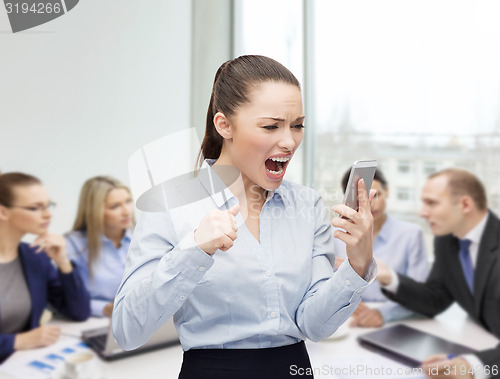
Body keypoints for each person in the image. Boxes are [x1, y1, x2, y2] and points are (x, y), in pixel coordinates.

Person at [112, 55, 378, 379]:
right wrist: (193, 250)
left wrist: (358, 263)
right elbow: (127, 330)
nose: (289, 141)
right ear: (224, 125)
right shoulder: (170, 206)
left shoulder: (307, 205)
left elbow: (315, 325)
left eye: (297, 126)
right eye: (271, 126)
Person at [377, 168, 500, 379]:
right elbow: (436, 298)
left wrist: (475, 365)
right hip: (481, 341)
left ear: (465, 205)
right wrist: (390, 278)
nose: (422, 213)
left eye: (431, 203)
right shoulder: (447, 240)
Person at [0, 172, 90, 363]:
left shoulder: (35, 256)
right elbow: (20, 341)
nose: (48, 214)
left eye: (48, 205)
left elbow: (79, 312)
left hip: (19, 365)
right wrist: (16, 341)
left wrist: (63, 262)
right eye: (35, 208)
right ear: (3, 212)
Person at [334, 168, 428, 327]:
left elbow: (422, 295)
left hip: (396, 321)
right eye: (360, 198)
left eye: (376, 195)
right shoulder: (335, 236)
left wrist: (384, 314)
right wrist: (345, 305)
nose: (370, 203)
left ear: (388, 191)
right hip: (345, 321)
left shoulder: (411, 235)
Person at [65, 176, 134, 318]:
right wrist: (106, 308)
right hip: (95, 322)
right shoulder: (73, 244)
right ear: (94, 211)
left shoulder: (142, 238)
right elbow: (66, 300)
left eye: (128, 202)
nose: (126, 211)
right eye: (115, 206)